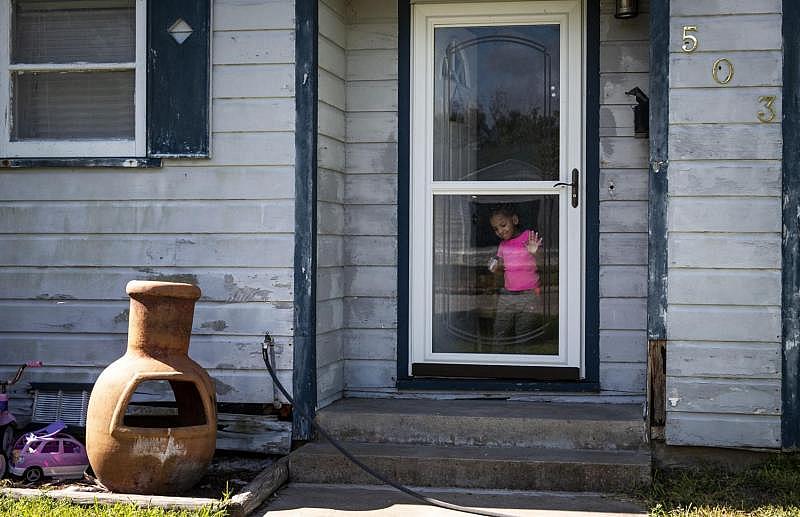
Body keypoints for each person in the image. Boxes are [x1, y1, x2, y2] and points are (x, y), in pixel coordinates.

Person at [487, 205, 543, 345]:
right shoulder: (503, 245)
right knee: (500, 330)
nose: (500, 231)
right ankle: (496, 362)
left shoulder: (528, 236)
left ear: (515, 220)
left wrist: (535, 252)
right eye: (495, 229)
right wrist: (494, 267)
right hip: (507, 295)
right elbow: (501, 267)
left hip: (529, 294)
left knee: (524, 332)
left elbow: (542, 263)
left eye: (503, 225)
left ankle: (523, 363)